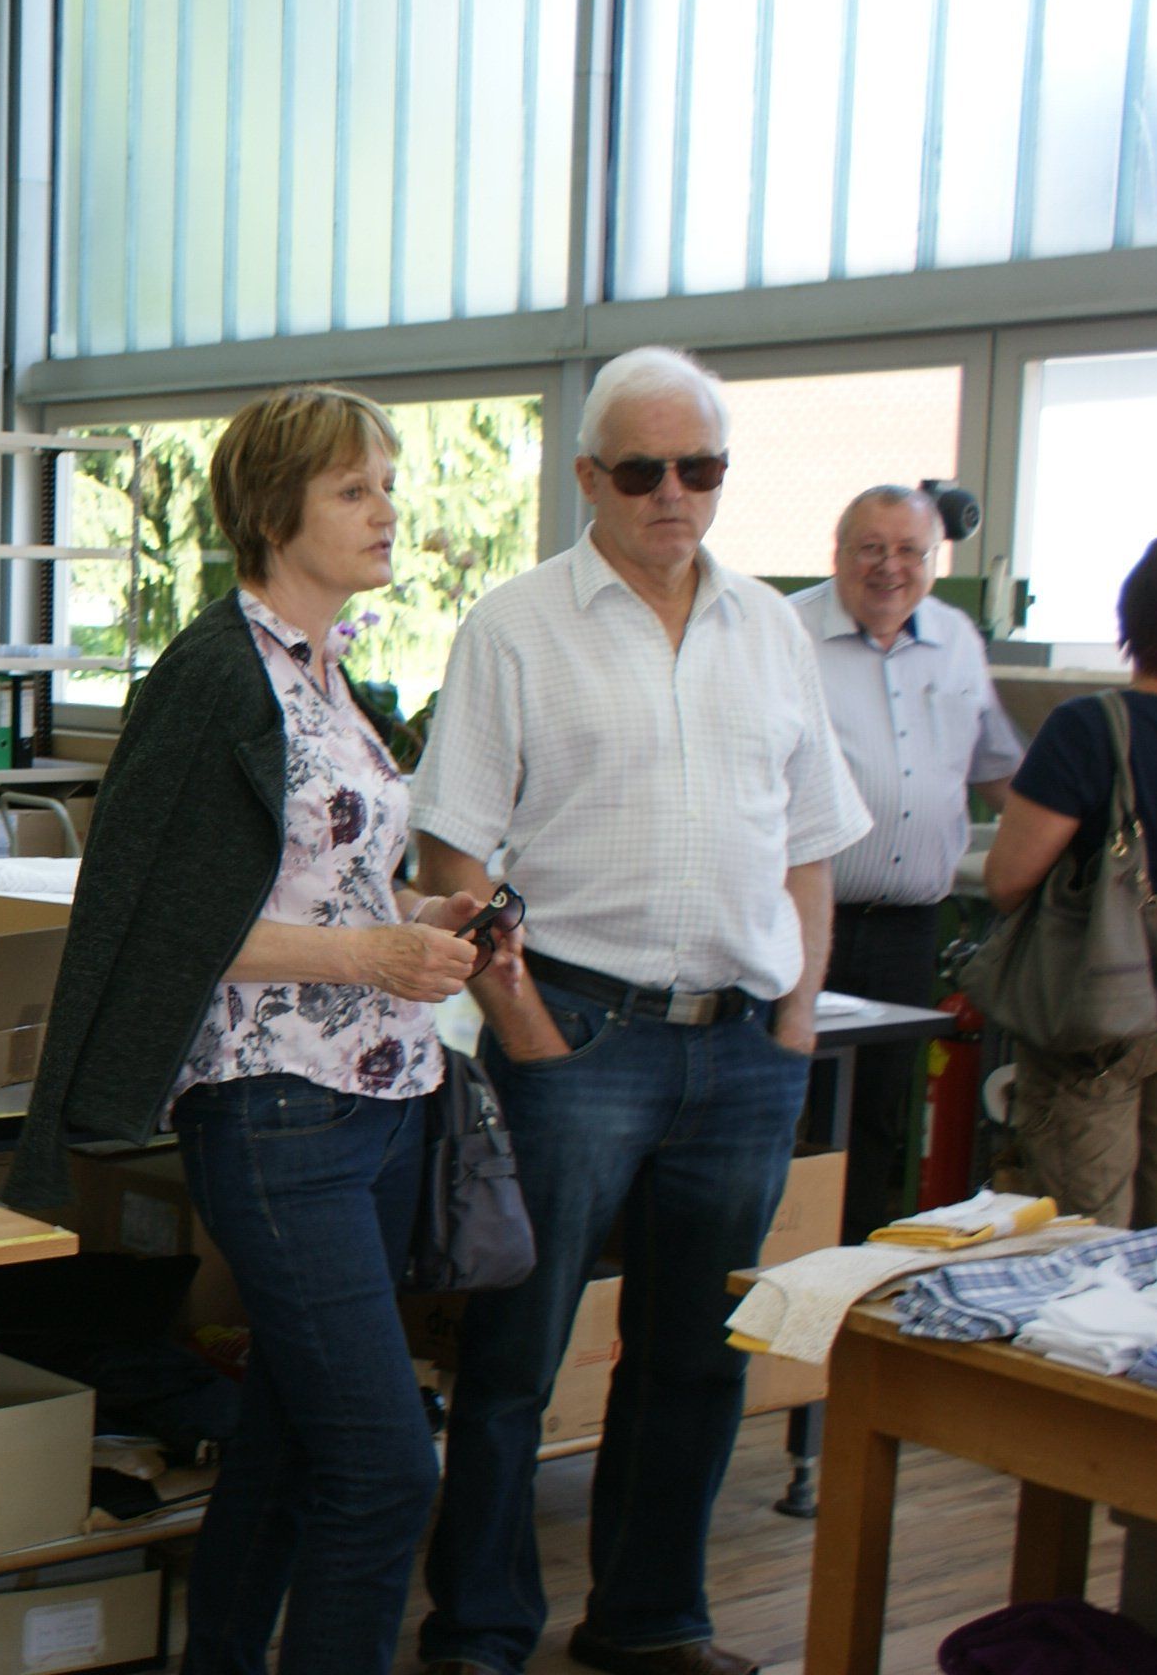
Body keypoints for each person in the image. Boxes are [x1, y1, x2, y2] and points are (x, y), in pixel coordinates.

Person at [8, 387, 496, 1675]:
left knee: (286, 1444)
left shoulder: (326, 672)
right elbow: (156, 919)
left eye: (387, 485)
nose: (386, 512)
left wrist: (416, 916)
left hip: (379, 1099)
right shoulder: (218, 673)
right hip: (280, 1111)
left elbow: (311, 884)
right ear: (275, 511)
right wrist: (373, 952)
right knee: (386, 1469)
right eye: (354, 490)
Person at [410, 346, 870, 1675]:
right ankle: (480, 1629)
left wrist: (796, 1023)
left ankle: (651, 1620)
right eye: (642, 470)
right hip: (577, 1036)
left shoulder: (772, 629)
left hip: (743, 1046)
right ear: (588, 477)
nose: (674, 493)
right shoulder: (516, 625)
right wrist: (531, 1032)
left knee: (699, 1359)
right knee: (515, 1358)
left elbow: (810, 845)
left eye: (700, 468)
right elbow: (453, 850)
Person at [987, 529, 1157, 1255]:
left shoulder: (1088, 729)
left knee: (1087, 1231)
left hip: (1105, 1015)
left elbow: (1007, 880)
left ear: (1131, 617)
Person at [791, 486, 1024, 1236]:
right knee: (783, 1104)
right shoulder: (786, 633)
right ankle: (772, 1270)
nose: (889, 567)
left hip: (907, 929)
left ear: (933, 560)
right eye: (871, 548)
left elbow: (998, 767)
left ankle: (850, 1272)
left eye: (908, 551)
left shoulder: (956, 638)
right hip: (799, 918)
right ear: (838, 553)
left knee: (878, 1116)